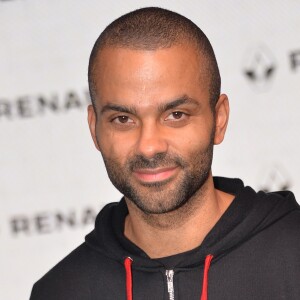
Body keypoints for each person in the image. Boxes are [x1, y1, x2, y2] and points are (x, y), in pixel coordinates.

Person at [30, 7, 300, 300]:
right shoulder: (60, 291)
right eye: (123, 119)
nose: (149, 146)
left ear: (218, 119)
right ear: (95, 129)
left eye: (176, 114)